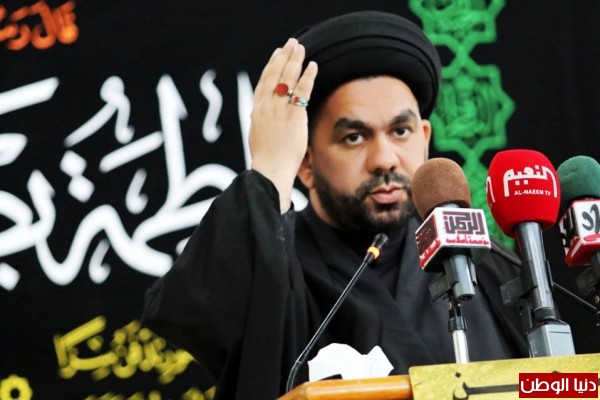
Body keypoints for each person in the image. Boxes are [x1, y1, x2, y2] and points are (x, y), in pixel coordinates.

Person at [142, 10, 528, 400]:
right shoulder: (272, 268)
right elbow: (197, 312)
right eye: (354, 137)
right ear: (306, 162)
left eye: (401, 131)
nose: (385, 159)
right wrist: (271, 169)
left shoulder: (474, 258)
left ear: (424, 138)